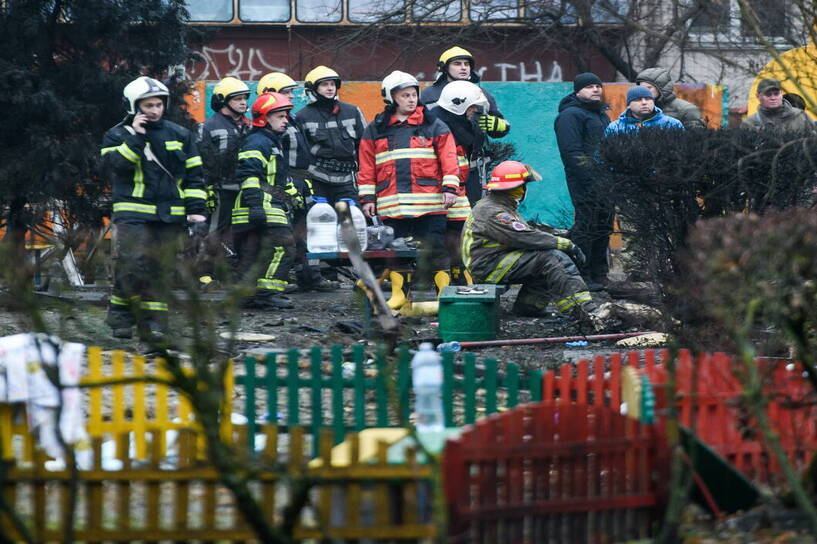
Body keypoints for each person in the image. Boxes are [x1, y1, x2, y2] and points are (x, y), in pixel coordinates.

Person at [100, 76, 208, 339]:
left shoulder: (180, 134)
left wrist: (196, 210)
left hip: (170, 214)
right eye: (148, 105)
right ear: (134, 107)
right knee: (133, 264)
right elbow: (115, 167)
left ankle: (155, 323)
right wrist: (137, 138)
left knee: (162, 267)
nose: (155, 110)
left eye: (158, 104)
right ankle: (121, 318)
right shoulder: (116, 135)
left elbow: (194, 175)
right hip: (133, 212)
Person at [461, 160, 615, 328]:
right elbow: (523, 237)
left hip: (492, 260)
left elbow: (524, 233)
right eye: (523, 186)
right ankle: (584, 311)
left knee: (543, 256)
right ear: (516, 188)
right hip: (488, 266)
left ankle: (529, 306)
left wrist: (556, 236)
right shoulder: (494, 212)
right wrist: (565, 244)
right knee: (553, 259)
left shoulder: (498, 205)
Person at [357, 70, 460, 309]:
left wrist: (450, 188)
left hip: (430, 205)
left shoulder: (433, 124)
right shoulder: (376, 129)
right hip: (392, 205)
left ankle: (443, 295)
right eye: (405, 95)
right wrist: (367, 198)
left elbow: (449, 158)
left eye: (413, 94)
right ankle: (399, 296)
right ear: (391, 98)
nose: (411, 99)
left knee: (436, 250)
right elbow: (366, 166)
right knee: (397, 253)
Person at [257, 72, 339, 292]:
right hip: (286, 182)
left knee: (305, 231)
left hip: (302, 181)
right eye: (286, 93)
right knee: (288, 233)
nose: (291, 97)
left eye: (291, 93)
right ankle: (284, 280)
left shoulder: (291, 119)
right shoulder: (271, 127)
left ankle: (310, 277)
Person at [232, 92, 299, 310]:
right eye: (280, 116)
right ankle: (267, 294)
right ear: (264, 118)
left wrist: (293, 198)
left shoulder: (271, 143)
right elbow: (249, 177)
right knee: (284, 248)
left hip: (266, 206)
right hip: (262, 207)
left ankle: (248, 296)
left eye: (285, 116)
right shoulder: (258, 142)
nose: (285, 120)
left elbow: (276, 179)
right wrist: (256, 207)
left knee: (253, 253)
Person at [421, 46, 510, 205]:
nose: (463, 67)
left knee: (472, 211)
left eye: (466, 64)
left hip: (473, 166)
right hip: (439, 164)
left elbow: (498, 125)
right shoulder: (429, 95)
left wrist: (499, 126)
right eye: (457, 63)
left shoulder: (481, 93)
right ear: (444, 68)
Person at [554, 72, 613, 291]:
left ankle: (600, 274)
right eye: (589, 87)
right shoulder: (570, 115)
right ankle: (582, 274)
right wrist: (590, 178)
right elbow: (571, 151)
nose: (596, 90)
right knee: (586, 226)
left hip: (607, 180)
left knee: (604, 225)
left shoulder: (600, 115)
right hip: (585, 181)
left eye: (598, 86)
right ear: (577, 91)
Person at [433, 80, 491, 284]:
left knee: (461, 231)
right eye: (472, 107)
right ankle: (444, 279)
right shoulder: (441, 127)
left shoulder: (459, 126)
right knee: (440, 234)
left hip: (457, 188)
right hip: (441, 191)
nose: (475, 111)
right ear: (459, 106)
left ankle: (459, 274)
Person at [196, 76, 252, 287]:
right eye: (237, 98)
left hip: (244, 188)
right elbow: (201, 159)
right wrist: (207, 187)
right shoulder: (207, 127)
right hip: (219, 189)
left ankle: (232, 272)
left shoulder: (248, 127)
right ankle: (204, 274)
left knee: (240, 231)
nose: (243, 103)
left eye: (245, 98)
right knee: (214, 231)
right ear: (222, 101)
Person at [294, 66, 367, 204]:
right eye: (324, 84)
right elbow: (300, 154)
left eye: (333, 84)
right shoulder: (302, 117)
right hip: (317, 181)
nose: (330, 88)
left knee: (349, 219)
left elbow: (365, 147)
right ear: (313, 88)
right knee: (323, 220)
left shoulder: (353, 111)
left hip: (347, 181)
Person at [635, 68, 706, 129]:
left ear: (661, 88)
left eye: (648, 88)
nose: (644, 91)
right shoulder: (639, 109)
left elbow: (697, 139)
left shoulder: (687, 110)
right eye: (641, 88)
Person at [742, 79, 816, 133]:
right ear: (758, 96)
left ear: (781, 94)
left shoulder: (801, 117)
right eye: (768, 94)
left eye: (776, 94)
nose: (773, 98)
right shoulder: (750, 123)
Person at [605, 86, 685, 135]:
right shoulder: (615, 127)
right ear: (628, 105)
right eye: (638, 100)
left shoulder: (672, 124)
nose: (644, 103)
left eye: (648, 99)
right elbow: (603, 155)